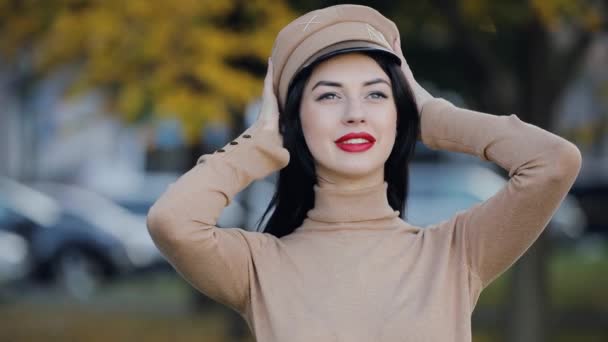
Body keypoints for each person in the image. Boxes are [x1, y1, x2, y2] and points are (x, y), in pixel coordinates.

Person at [146, 4, 582, 341]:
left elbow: (554, 163)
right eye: (329, 96)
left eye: (376, 95)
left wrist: (432, 116)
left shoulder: (455, 252)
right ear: (293, 118)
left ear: (398, 113)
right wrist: (257, 146)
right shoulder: (258, 266)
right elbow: (172, 223)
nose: (356, 114)